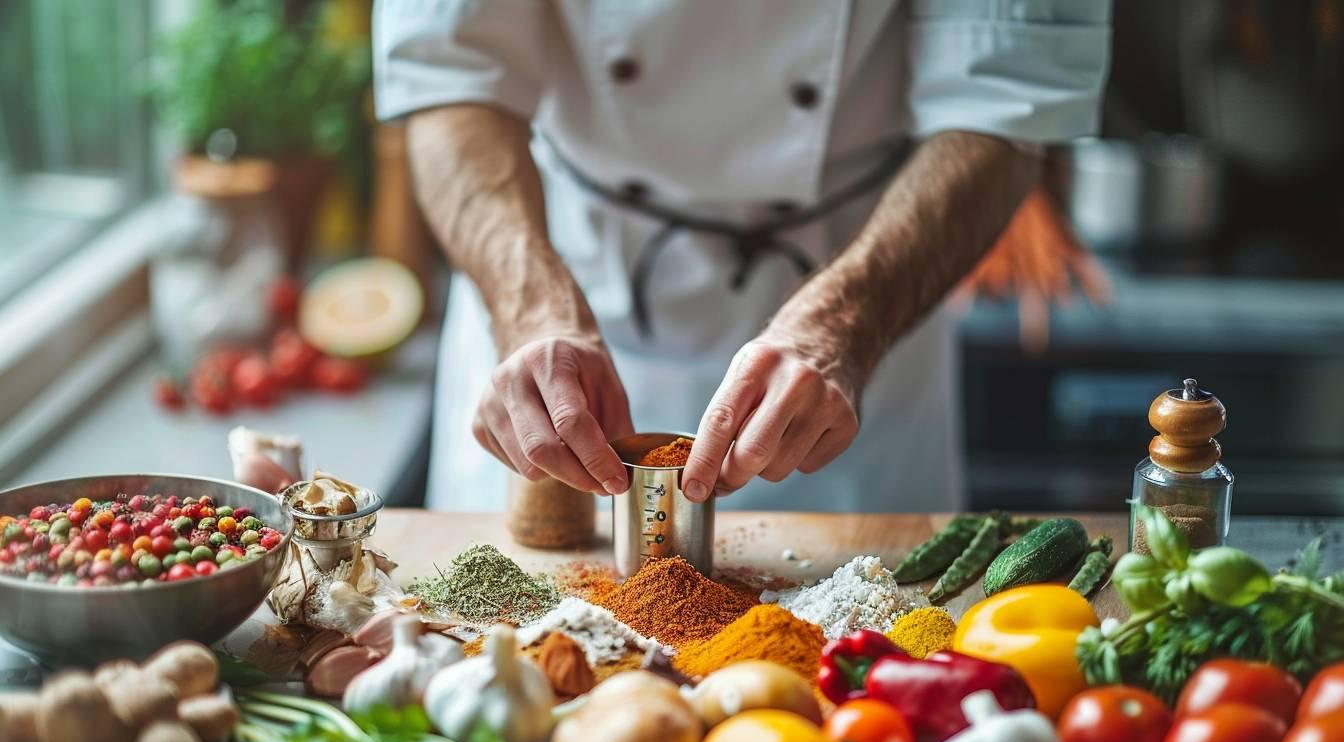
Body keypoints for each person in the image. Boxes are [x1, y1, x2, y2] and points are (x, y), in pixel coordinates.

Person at [373, 0, 1111, 512]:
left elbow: (1004, 99)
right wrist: (530, 309)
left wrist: (844, 321)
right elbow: (447, 75)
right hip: (564, 270)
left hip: (863, 286)